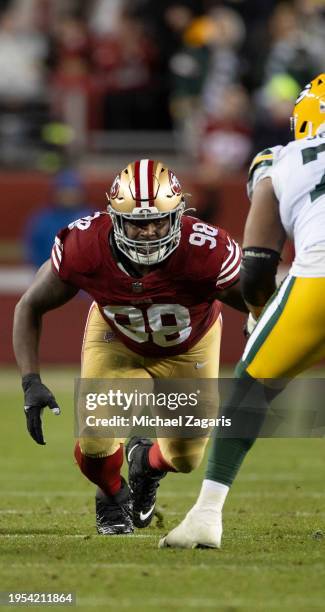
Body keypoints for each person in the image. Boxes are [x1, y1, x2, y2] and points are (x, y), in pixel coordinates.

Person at [13, 159, 246, 536]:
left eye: (158, 220)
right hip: (115, 339)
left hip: (190, 345)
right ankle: (112, 494)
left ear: (179, 215)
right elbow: (29, 306)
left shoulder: (208, 249)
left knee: (186, 458)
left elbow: (261, 303)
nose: (149, 232)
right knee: (95, 442)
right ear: (115, 219)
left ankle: (146, 464)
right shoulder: (85, 245)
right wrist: (30, 381)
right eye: (137, 223)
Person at [159, 73, 325, 549]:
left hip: (319, 277)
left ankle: (207, 514)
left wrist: (256, 312)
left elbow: (255, 267)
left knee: (250, 388)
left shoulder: (281, 160)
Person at [24, 169, 92, 268]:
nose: (69, 197)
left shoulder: (92, 217)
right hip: (48, 272)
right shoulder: (41, 220)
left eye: (73, 192)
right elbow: (31, 248)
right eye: (64, 192)